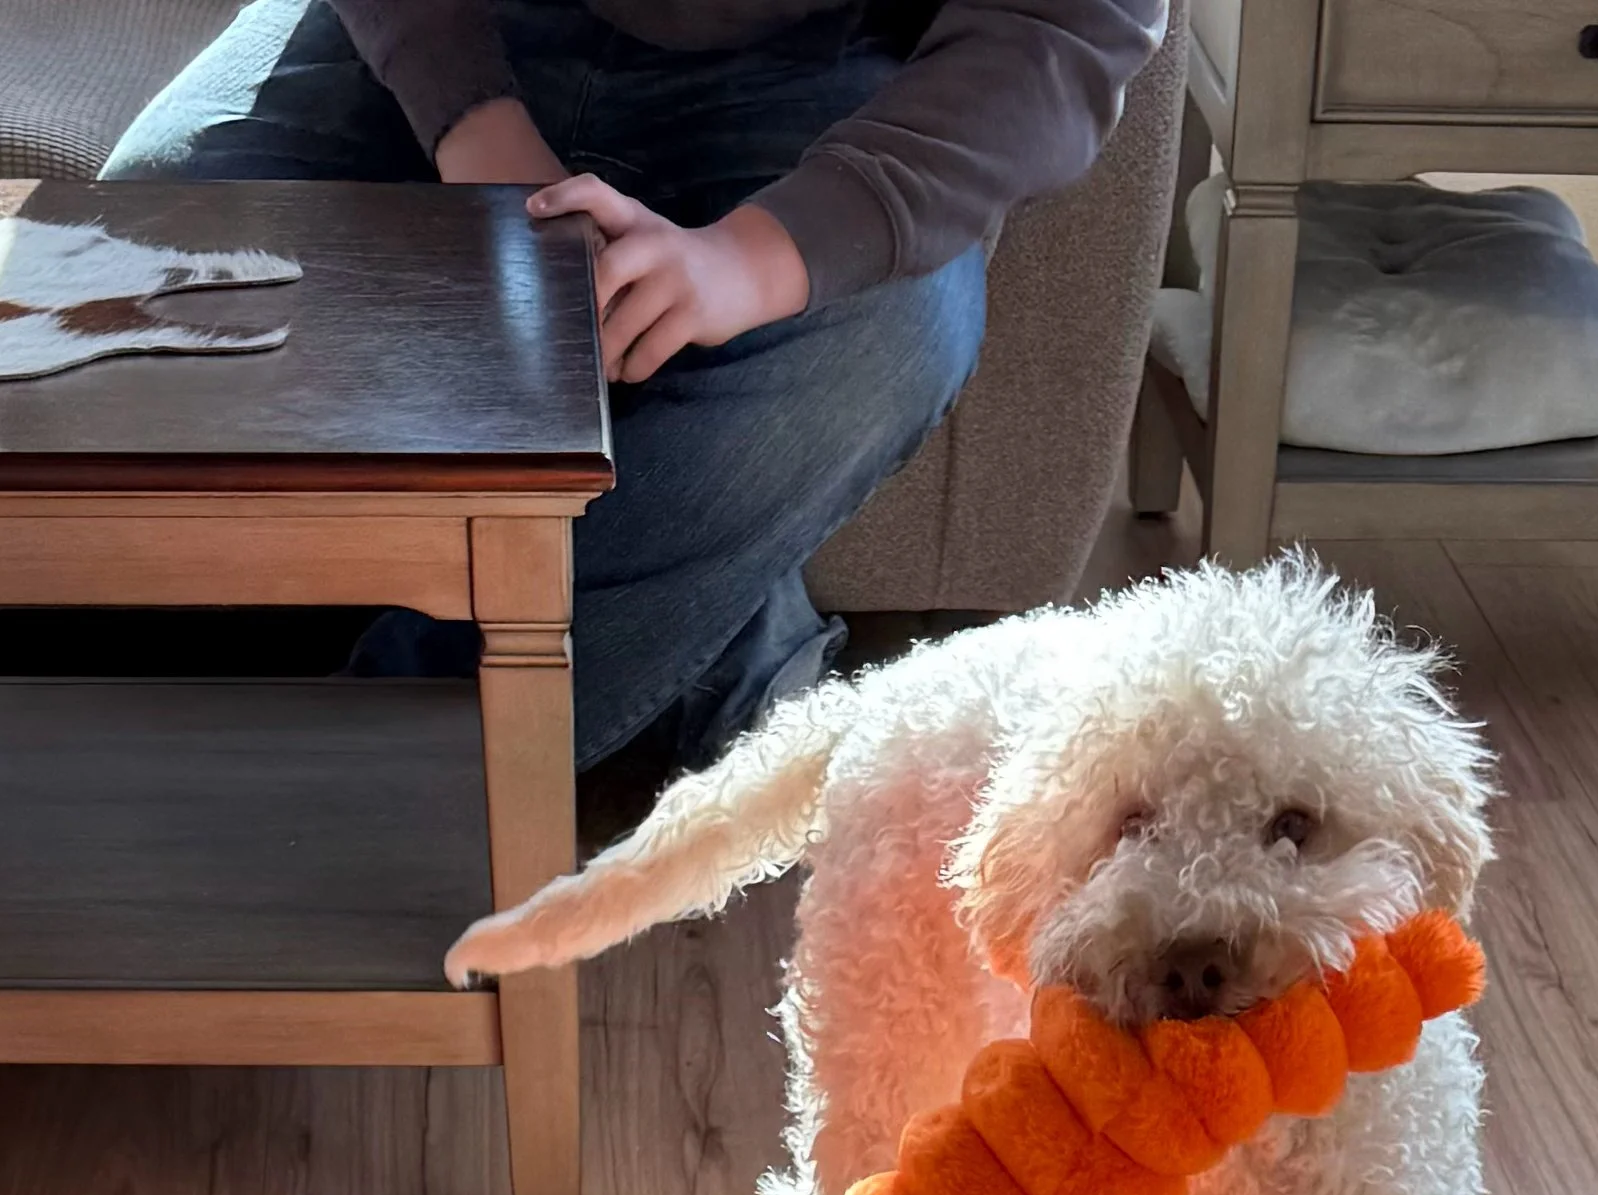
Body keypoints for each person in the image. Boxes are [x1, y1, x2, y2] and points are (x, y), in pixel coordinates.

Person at [105, 0, 1163, 772]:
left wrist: (757, 259)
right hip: (435, 30)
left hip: (824, 73)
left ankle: (375, 769)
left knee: (889, 341)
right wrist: (474, 130)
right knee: (135, 248)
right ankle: (717, 648)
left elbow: (1067, 24)